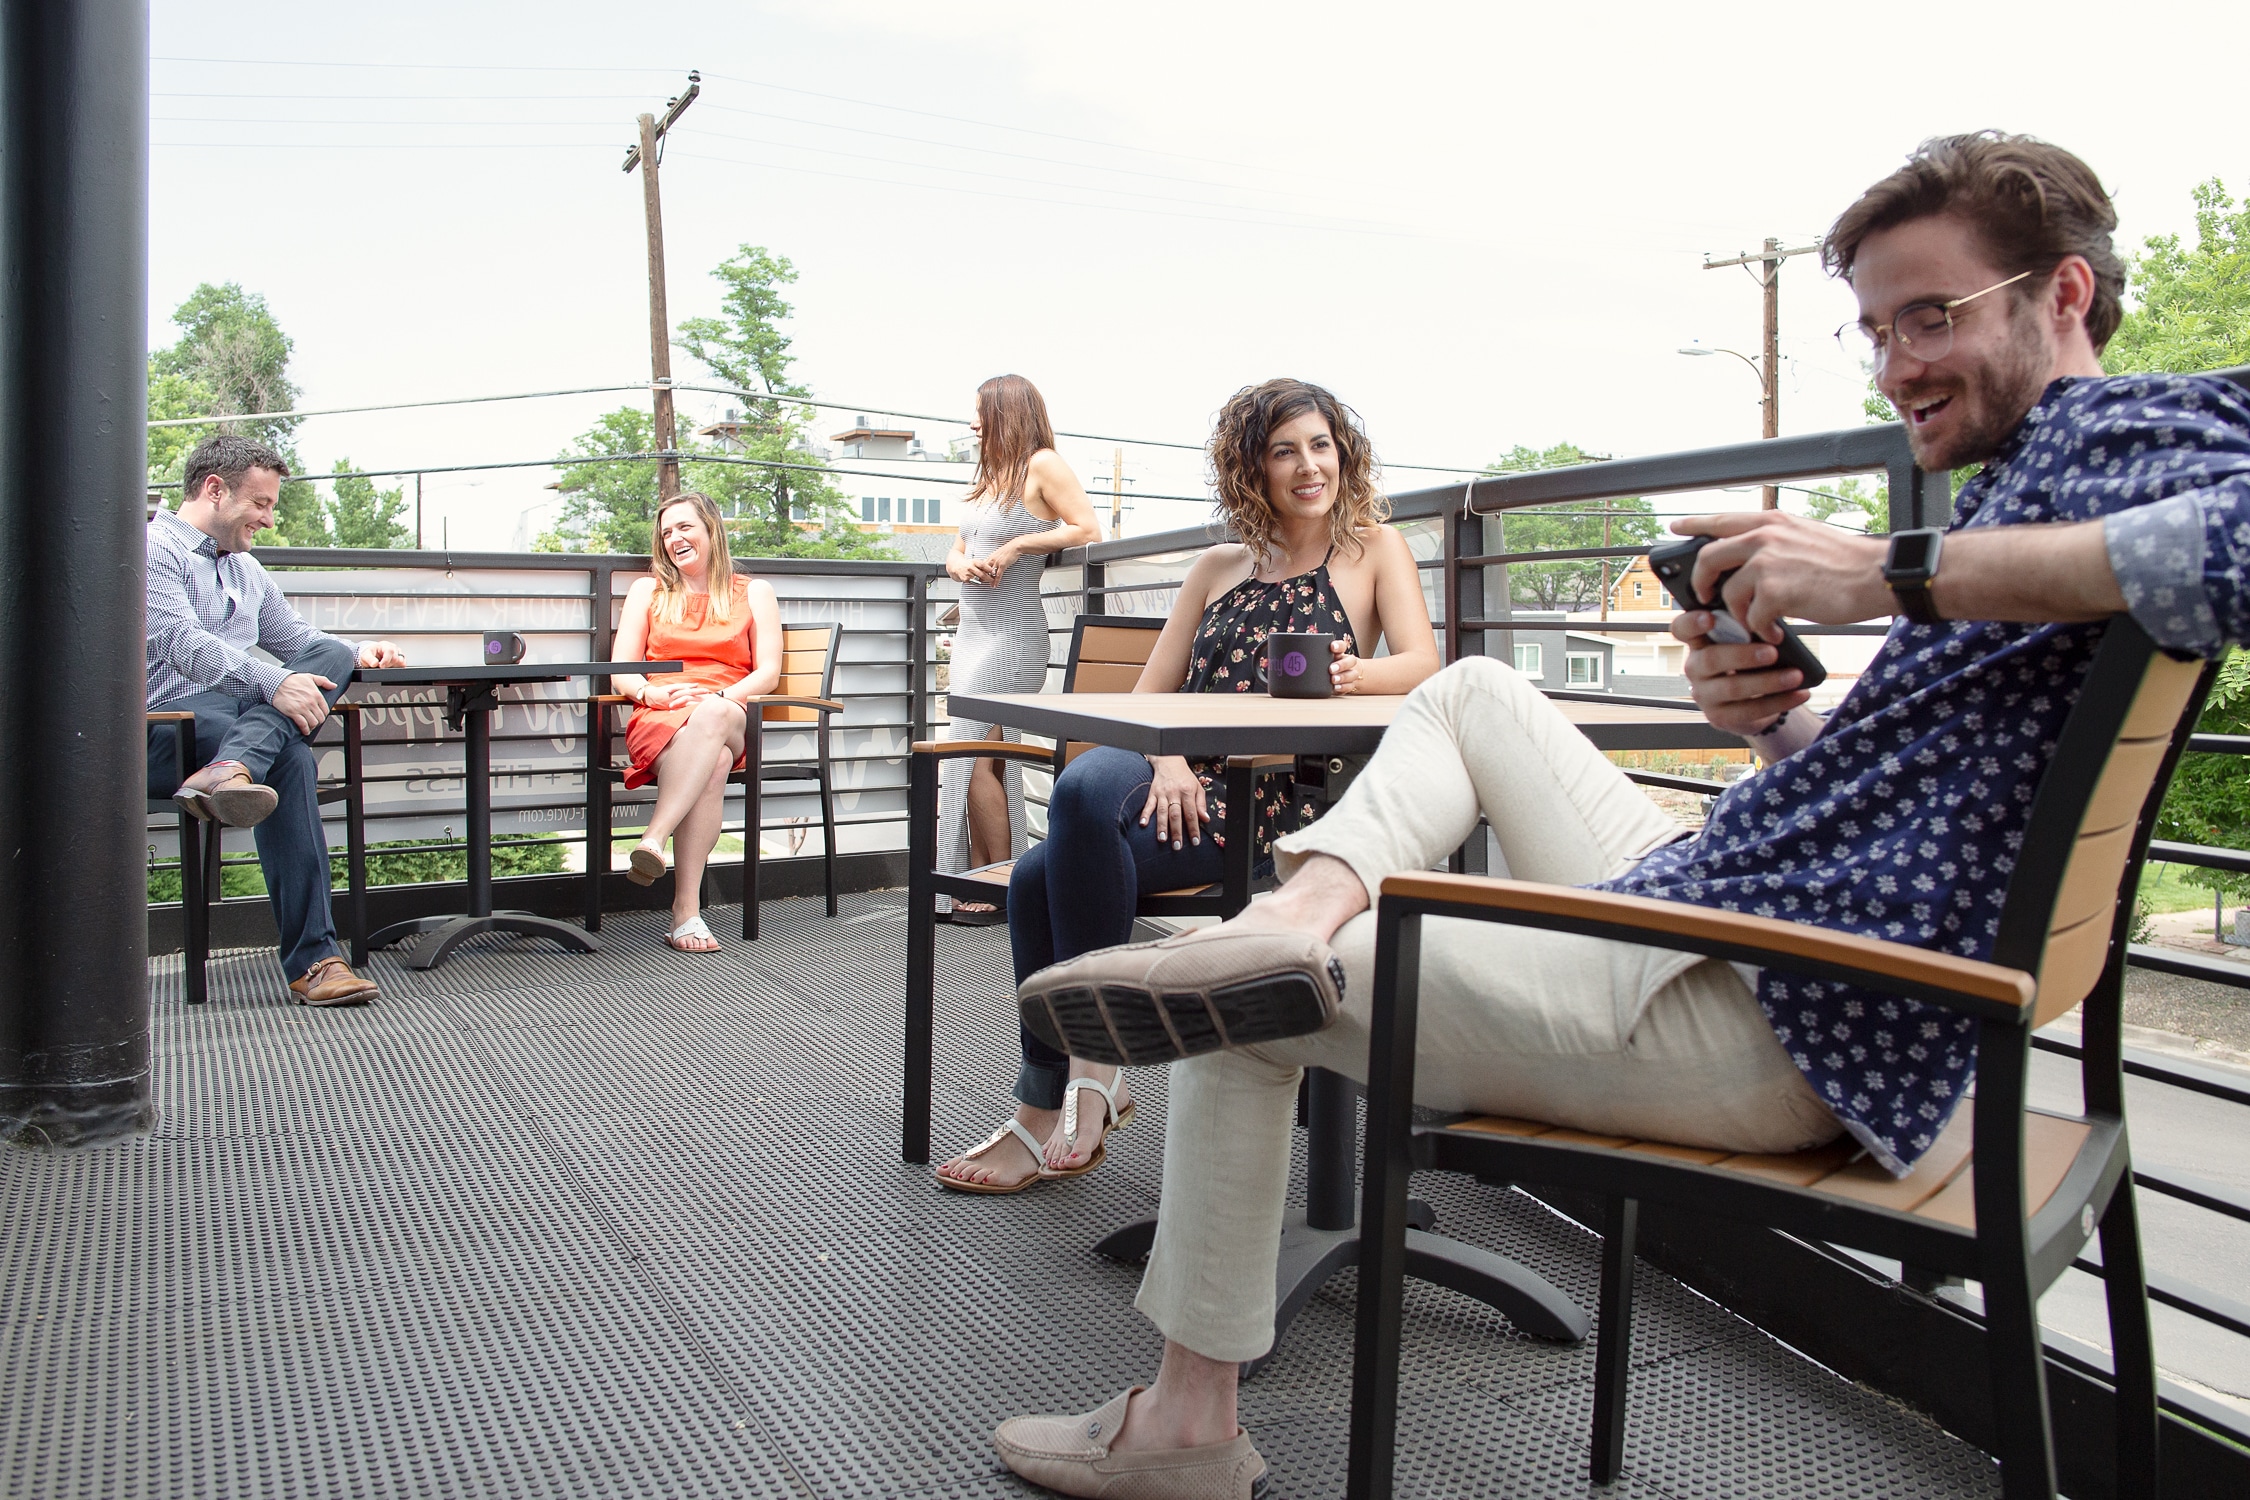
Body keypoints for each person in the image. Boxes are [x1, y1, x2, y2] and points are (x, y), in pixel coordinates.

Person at [987, 133, 2250, 1499]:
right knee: (1470, 693)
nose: (1893, 367)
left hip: (1782, 1009)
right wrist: (1773, 720)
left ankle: (1184, 1424)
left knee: (1248, 1004)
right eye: (1875, 329)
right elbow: (1909, 796)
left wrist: (1885, 575)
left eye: (1930, 316)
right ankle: (1293, 912)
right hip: (1740, 910)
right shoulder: (2028, 490)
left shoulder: (2117, 437)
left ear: (2063, 295)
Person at [937, 378, 1440, 1197]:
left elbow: (1422, 665)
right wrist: (1167, 760)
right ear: (1254, 468)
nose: (1309, 465)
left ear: (1343, 453)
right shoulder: (1216, 567)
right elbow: (1150, 698)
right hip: (1177, 785)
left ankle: (1045, 1107)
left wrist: (1356, 674)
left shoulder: (1374, 550)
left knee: (1034, 875)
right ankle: (1095, 1073)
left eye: (1320, 445)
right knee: (1083, 793)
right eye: (1284, 451)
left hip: (1270, 806)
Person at [147, 434, 406, 1007]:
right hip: (166, 727)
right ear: (215, 489)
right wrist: (273, 683)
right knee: (289, 754)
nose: (268, 518)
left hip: (228, 730)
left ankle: (232, 768)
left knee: (332, 658)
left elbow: (298, 642)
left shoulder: (246, 569)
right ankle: (315, 960)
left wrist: (360, 649)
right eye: (261, 503)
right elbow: (178, 642)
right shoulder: (152, 548)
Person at [937, 375, 1104, 925]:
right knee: (986, 759)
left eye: (979, 412)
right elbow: (958, 549)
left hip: (1012, 637)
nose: (971, 423)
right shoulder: (991, 476)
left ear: (1006, 412)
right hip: (973, 635)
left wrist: (1017, 544)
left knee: (971, 759)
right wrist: (959, 565)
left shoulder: (1043, 465)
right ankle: (988, 878)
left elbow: (1086, 529)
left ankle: (991, 882)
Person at [609, 491, 784, 952]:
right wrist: (649, 690)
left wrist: (721, 694)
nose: (675, 539)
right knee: (716, 764)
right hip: (662, 714)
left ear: (711, 531)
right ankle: (685, 914)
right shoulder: (648, 591)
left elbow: (768, 672)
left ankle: (654, 836)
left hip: (728, 706)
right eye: (666, 532)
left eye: (685, 527)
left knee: (716, 717)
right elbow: (621, 667)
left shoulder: (754, 592)